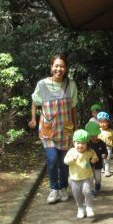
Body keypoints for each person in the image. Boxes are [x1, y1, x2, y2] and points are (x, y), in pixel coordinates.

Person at [29, 54, 78, 204]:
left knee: (64, 162)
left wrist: (76, 128)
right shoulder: (42, 84)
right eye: (56, 66)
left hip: (66, 130)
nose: (59, 69)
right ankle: (53, 189)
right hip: (48, 130)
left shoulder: (71, 85)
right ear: (51, 67)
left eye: (62, 66)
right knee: (52, 159)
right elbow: (34, 102)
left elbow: (73, 108)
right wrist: (33, 118)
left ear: (66, 68)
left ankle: (62, 187)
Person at [63, 129, 98, 218]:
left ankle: (89, 207)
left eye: (83, 143)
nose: (80, 145)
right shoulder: (71, 151)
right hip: (74, 178)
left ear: (87, 144)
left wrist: (94, 159)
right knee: (77, 195)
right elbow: (65, 161)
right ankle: (80, 208)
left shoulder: (89, 151)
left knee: (87, 192)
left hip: (87, 177)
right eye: (78, 143)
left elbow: (94, 155)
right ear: (74, 143)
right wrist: (71, 160)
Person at [85, 120, 107, 196]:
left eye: (95, 135)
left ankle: (97, 184)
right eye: (91, 136)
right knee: (90, 179)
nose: (94, 137)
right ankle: (91, 191)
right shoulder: (87, 144)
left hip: (98, 165)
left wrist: (104, 154)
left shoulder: (102, 143)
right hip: (89, 165)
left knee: (98, 178)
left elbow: (104, 151)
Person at [97, 111, 113, 177]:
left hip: (108, 147)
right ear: (98, 123)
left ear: (108, 122)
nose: (103, 124)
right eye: (101, 122)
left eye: (104, 122)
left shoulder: (110, 131)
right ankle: (102, 168)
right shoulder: (97, 131)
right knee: (101, 159)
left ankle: (107, 171)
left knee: (107, 159)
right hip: (99, 147)